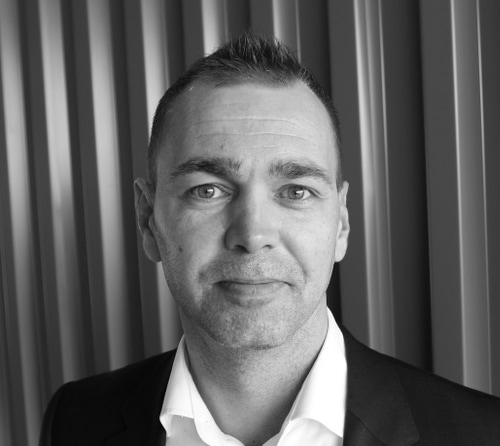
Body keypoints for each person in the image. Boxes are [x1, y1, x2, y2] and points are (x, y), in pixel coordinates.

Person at [40, 33, 500, 446]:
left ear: (340, 223)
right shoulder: (75, 420)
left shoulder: (482, 434)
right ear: (148, 221)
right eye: (208, 190)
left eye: (296, 191)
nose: (253, 234)